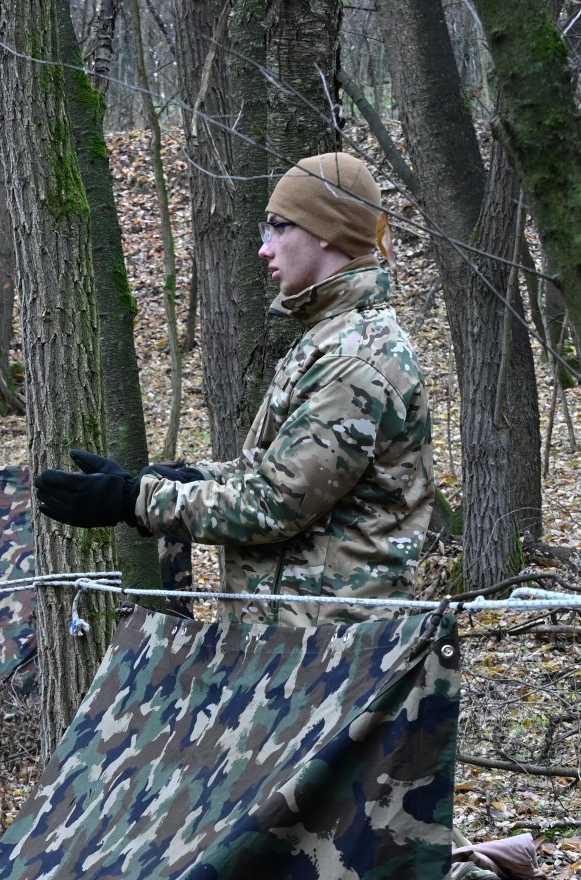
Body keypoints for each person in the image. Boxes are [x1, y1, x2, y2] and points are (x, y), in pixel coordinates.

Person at [35, 152, 435, 627]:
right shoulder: (332, 337)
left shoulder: (354, 359)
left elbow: (273, 505)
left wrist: (135, 501)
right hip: (301, 638)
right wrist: (177, 478)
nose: (265, 249)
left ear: (327, 229)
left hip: (332, 651)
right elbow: (265, 471)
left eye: (278, 227)